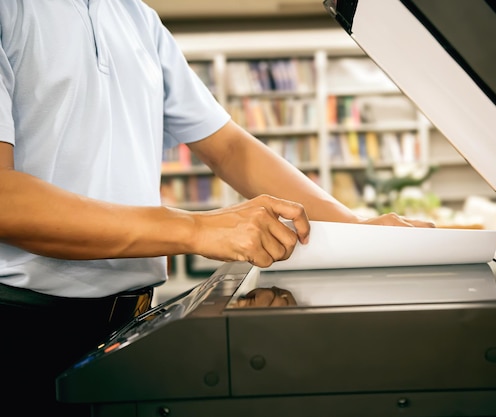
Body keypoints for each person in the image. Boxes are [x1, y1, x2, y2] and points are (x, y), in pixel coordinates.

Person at [0, 1, 433, 415]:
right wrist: (196, 229)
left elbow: (228, 147)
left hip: (129, 328)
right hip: (24, 334)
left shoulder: (137, 16)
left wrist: (358, 232)